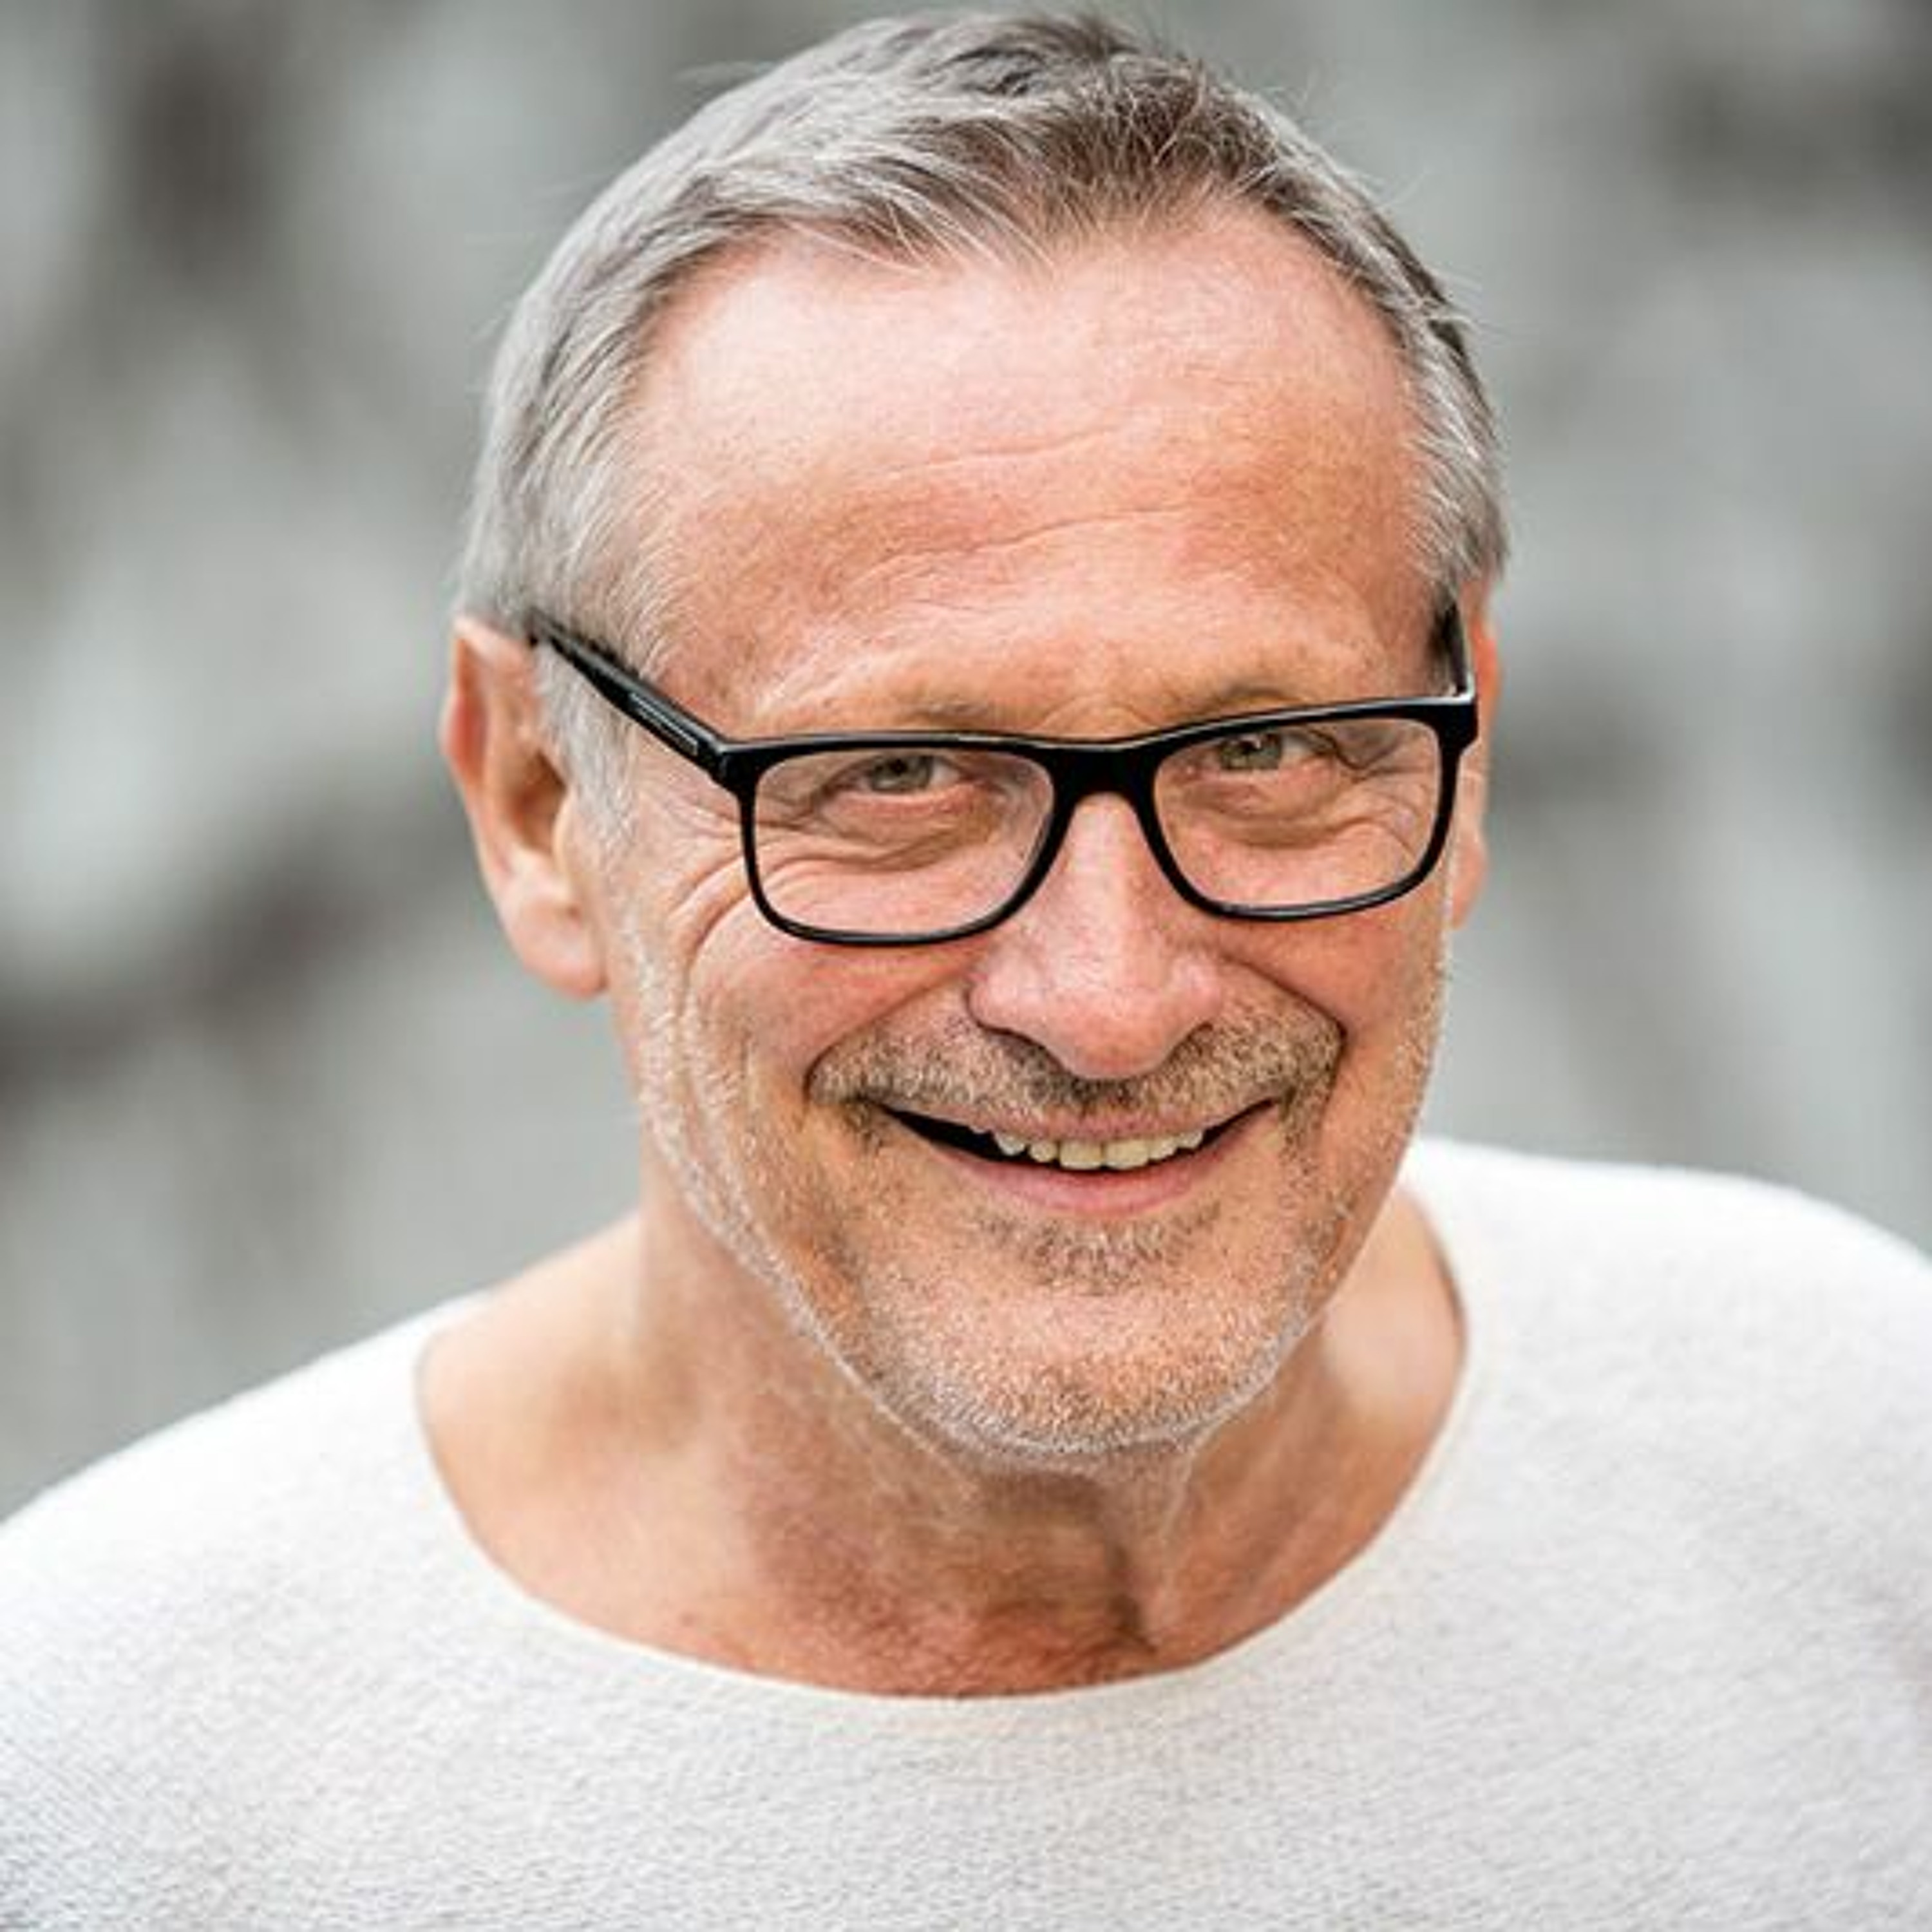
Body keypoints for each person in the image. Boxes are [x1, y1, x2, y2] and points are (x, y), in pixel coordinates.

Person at [4, 12, 1928, 1927]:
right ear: (535, 798)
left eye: (1263, 751)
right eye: (899, 780)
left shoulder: (1852, 1459)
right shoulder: (104, 1780)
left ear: (1471, 740)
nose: (1109, 1001)